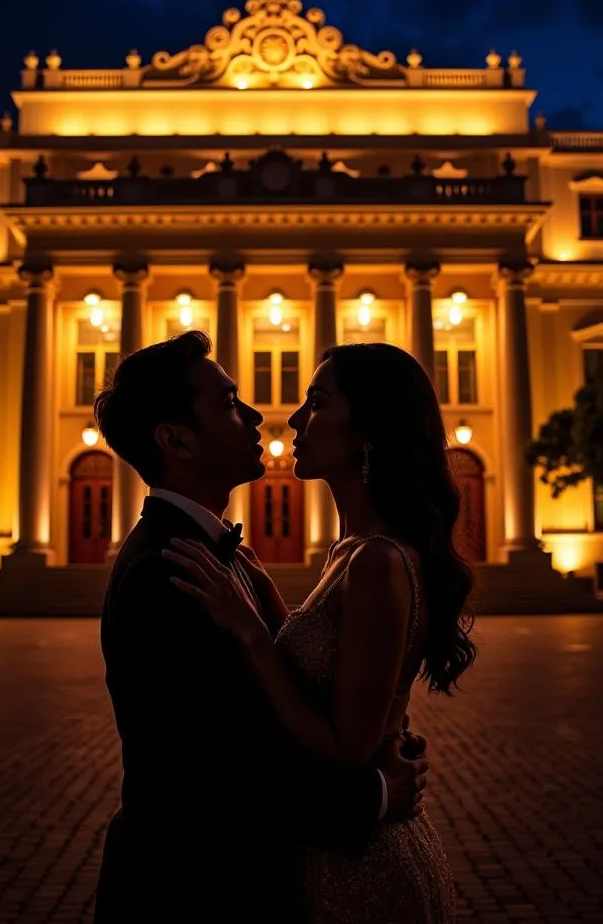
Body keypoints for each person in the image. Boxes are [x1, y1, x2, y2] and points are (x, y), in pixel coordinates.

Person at [92, 331, 430, 924]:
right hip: (194, 892)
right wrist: (373, 795)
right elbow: (214, 775)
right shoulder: (166, 570)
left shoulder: (224, 560)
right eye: (227, 403)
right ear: (175, 440)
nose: (261, 416)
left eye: (317, 402)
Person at [167, 342, 476, 923]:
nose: (296, 419)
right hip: (337, 852)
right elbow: (328, 668)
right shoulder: (351, 552)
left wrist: (251, 633)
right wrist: (265, 600)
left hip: (363, 869)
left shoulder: (378, 561)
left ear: (368, 431)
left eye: (318, 402)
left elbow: (347, 749)